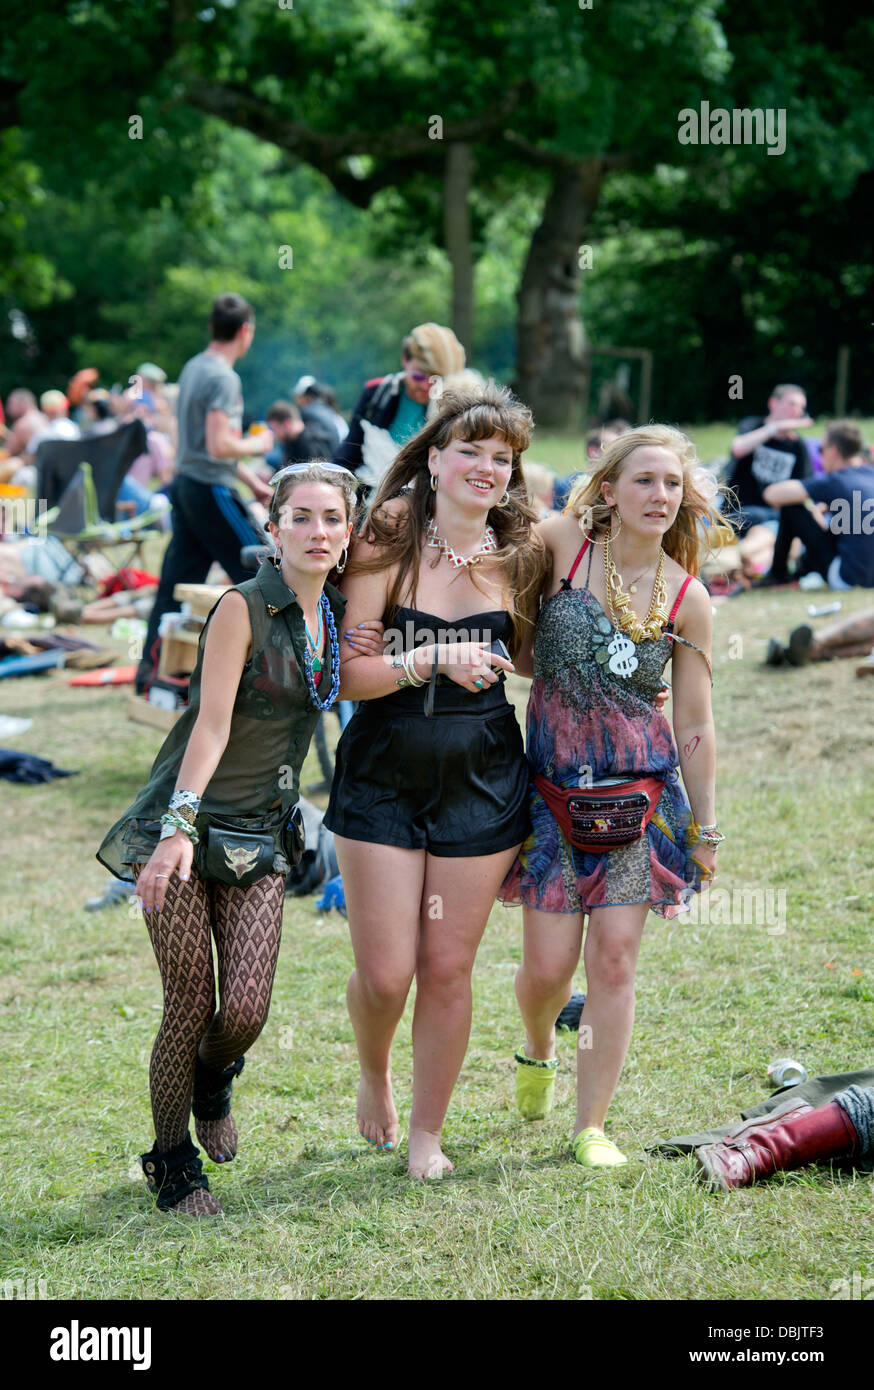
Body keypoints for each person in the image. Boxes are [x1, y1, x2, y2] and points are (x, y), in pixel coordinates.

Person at [97, 461, 365, 1217]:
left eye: (332, 520)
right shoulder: (240, 608)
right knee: (189, 999)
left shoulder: (337, 618)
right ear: (270, 529)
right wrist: (177, 829)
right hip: (183, 824)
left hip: (260, 834)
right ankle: (172, 1160)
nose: (317, 532)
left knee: (245, 1011)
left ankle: (213, 1080)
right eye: (301, 518)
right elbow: (210, 726)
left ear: (348, 535)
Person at [324, 383, 544, 1179]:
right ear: (436, 457)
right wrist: (426, 659)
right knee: (386, 974)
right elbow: (346, 673)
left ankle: (427, 1135)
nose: (485, 469)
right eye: (471, 452)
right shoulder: (389, 531)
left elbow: (529, 659)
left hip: (482, 775)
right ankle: (375, 1070)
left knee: (448, 968)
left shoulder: (521, 554)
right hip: (383, 767)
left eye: (501, 458)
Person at [501, 425, 731, 1168]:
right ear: (609, 490)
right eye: (644, 481)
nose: (659, 495)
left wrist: (706, 827)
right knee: (546, 970)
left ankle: (590, 1126)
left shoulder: (690, 597)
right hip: (551, 792)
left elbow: (694, 721)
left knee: (616, 961)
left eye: (672, 484)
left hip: (636, 798)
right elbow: (510, 622)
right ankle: (538, 1046)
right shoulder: (563, 544)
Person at [135, 293, 275, 692]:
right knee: (263, 573)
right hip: (208, 489)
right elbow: (218, 445)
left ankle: (152, 674)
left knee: (176, 583)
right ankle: (278, 674)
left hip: (187, 486)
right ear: (245, 331)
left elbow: (201, 447)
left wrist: (251, 483)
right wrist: (259, 444)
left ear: (212, 327)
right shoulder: (223, 378)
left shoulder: (195, 366)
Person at [332, 323, 465, 479]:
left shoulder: (452, 406)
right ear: (404, 360)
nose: (426, 386)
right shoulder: (377, 392)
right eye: (419, 376)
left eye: (436, 379)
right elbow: (349, 453)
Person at [762, 420, 874, 591]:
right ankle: (798, 571)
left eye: (821, 450)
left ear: (834, 451)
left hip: (848, 578)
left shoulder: (836, 481)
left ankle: (778, 574)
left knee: (791, 508)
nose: (820, 456)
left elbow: (772, 495)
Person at [265, 399, 339, 466]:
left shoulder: (312, 443)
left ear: (287, 424)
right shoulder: (291, 441)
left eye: (274, 429)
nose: (273, 433)